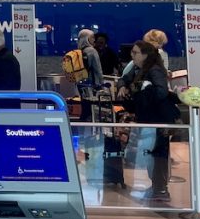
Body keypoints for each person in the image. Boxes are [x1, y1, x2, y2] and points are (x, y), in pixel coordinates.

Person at [117, 40, 180, 202]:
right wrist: (124, 86)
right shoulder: (139, 69)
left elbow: (161, 92)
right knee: (152, 153)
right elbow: (123, 78)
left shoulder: (155, 70)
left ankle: (161, 190)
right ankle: (157, 187)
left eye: (135, 53)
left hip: (159, 118)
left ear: (145, 55)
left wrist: (143, 87)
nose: (132, 55)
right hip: (149, 117)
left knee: (158, 154)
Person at [76, 29, 104, 121]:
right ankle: (89, 131)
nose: (94, 40)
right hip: (92, 84)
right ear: (86, 39)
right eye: (92, 37)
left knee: (85, 108)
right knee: (92, 111)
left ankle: (80, 130)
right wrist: (102, 85)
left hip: (81, 83)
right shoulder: (92, 51)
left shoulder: (80, 50)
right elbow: (98, 70)